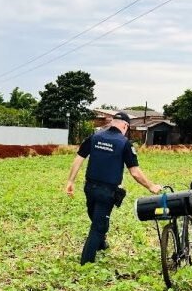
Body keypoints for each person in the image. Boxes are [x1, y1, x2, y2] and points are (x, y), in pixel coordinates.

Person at [65, 112, 162, 264]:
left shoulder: (94, 138)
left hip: (89, 187)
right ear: (125, 126)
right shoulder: (124, 143)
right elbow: (135, 172)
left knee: (96, 218)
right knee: (98, 225)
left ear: (112, 123)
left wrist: (70, 181)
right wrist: (151, 186)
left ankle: (101, 244)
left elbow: (79, 158)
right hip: (107, 192)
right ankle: (86, 263)